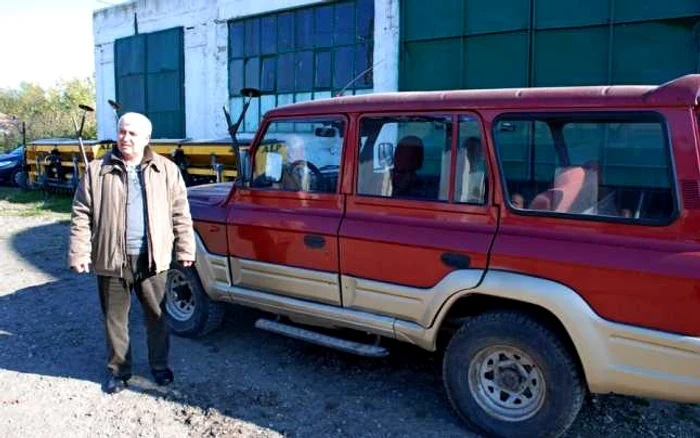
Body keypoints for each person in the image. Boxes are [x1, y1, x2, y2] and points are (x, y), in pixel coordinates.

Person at [68, 112, 195, 394]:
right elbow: (80, 213)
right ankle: (119, 371)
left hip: (153, 259)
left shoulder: (166, 170)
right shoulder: (96, 171)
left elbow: (181, 213)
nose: (125, 138)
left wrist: (186, 248)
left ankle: (159, 366)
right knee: (115, 319)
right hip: (112, 259)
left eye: (132, 134)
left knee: (157, 316)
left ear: (147, 139)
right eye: (122, 132)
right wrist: (79, 252)